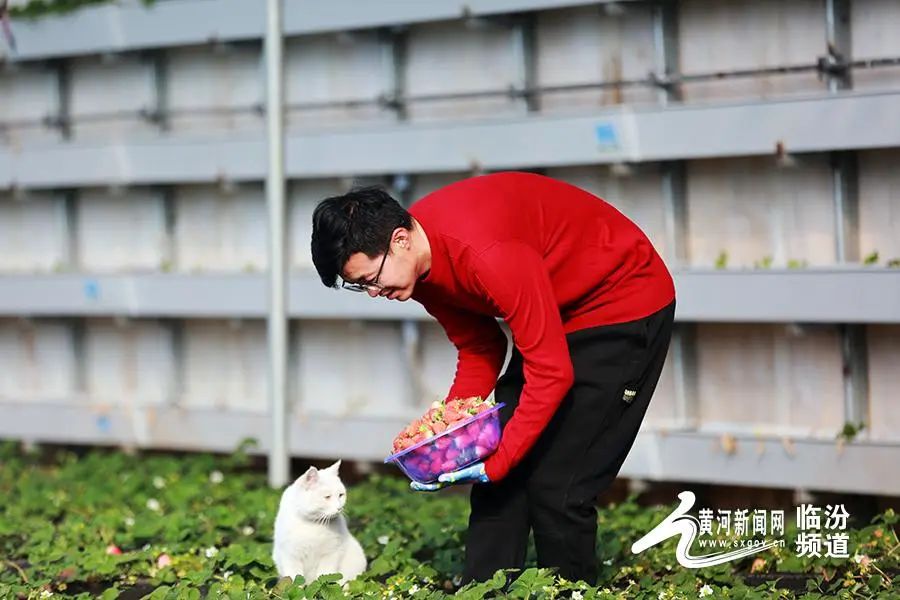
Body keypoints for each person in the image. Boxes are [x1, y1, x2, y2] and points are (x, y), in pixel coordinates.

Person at [310, 172, 675, 585]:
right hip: (556, 312)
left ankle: (570, 591)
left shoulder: (486, 255)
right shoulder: (418, 267)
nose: (375, 293)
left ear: (400, 239)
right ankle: (482, 590)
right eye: (361, 287)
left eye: (371, 279)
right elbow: (479, 345)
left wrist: (498, 462)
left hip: (620, 302)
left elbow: (551, 372)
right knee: (497, 476)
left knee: (559, 486)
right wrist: (453, 438)